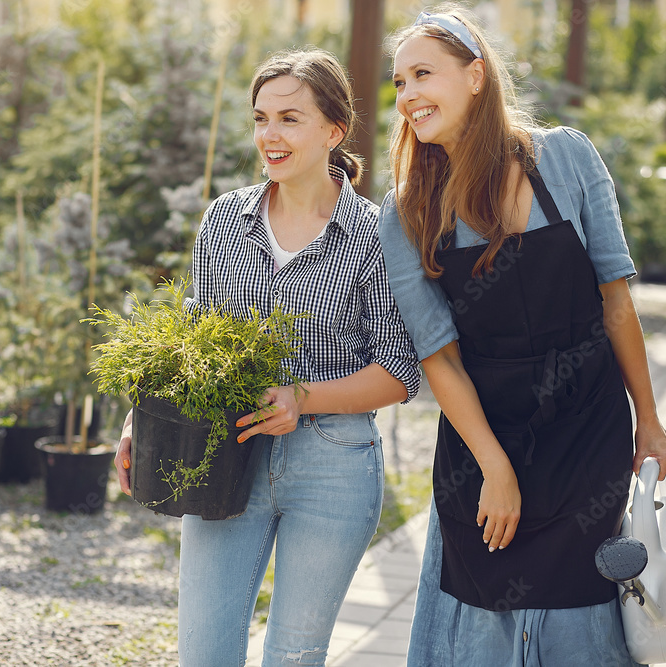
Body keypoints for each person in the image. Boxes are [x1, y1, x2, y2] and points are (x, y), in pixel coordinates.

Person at [378, 7, 666, 666]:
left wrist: (649, 420)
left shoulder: (566, 157)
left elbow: (615, 299)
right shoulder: (405, 212)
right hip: (481, 446)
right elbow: (439, 356)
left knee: (584, 622)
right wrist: (495, 468)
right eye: (398, 83)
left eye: (422, 74)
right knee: (485, 623)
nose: (406, 96)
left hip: (586, 435)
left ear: (476, 76)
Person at [114, 48, 420, 666]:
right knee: (204, 653)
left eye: (289, 118)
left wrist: (302, 400)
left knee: (294, 657)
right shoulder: (225, 221)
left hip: (332, 464)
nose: (269, 136)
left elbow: (401, 370)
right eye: (260, 119)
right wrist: (138, 421)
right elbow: (193, 343)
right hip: (225, 450)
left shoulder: (375, 235)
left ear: (334, 130)